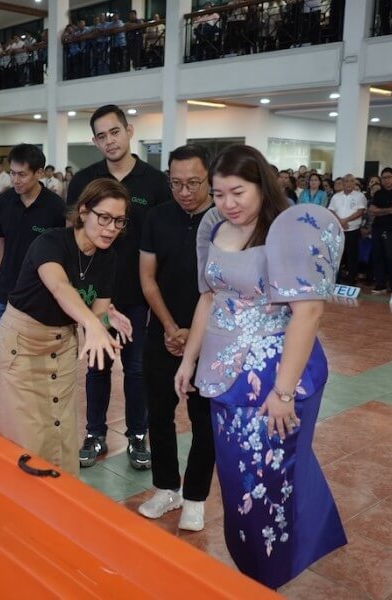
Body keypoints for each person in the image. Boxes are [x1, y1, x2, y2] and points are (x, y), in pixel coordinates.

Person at [173, 145, 347, 589]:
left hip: (272, 375)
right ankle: (252, 573)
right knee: (236, 484)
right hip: (223, 375)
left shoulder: (287, 231)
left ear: (261, 186)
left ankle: (269, 576)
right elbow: (208, 297)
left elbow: (308, 314)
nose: (228, 203)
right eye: (218, 193)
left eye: (238, 191)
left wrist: (283, 392)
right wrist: (189, 359)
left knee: (269, 483)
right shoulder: (215, 228)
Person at [0, 178, 133, 476]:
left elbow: (98, 311)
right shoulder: (50, 242)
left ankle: (56, 503)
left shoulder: (108, 258)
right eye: (104, 217)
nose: (111, 228)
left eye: (119, 221)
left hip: (61, 344)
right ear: (84, 211)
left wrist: (103, 321)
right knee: (24, 432)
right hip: (23, 343)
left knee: (60, 431)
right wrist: (91, 321)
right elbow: (60, 288)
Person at [67, 104, 171, 471]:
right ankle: (95, 433)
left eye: (114, 132)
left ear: (128, 131)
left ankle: (137, 435)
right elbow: (72, 237)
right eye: (100, 136)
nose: (109, 141)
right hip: (95, 297)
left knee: (137, 368)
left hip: (137, 295)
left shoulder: (155, 182)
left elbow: (163, 242)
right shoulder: (84, 182)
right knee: (97, 366)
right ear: (94, 142)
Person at [137, 145, 216, 532]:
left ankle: (196, 497)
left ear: (210, 180)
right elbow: (147, 278)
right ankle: (166, 487)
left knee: (205, 420)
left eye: (193, 183)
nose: (184, 192)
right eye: (176, 183)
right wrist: (170, 328)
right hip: (163, 333)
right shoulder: (157, 217)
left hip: (213, 336)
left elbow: (222, 288)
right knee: (160, 413)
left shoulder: (223, 221)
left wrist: (193, 337)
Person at [0, 144, 66, 344]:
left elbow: (61, 253)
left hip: (39, 296)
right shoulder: (3, 202)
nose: (15, 180)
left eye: (22, 175)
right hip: (5, 293)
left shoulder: (56, 207)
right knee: (1, 354)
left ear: (39, 173)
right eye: (12, 173)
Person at [368, 167, 392, 293]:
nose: (386, 180)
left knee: (391, 257)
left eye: (388, 177)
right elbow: (372, 210)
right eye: (383, 178)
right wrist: (390, 210)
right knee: (377, 256)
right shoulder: (378, 193)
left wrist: (381, 211)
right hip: (377, 228)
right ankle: (380, 284)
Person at [327, 173, 366, 284]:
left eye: (351, 181)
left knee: (352, 256)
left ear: (355, 183)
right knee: (338, 255)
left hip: (353, 230)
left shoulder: (360, 196)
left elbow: (360, 211)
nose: (349, 183)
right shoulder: (336, 196)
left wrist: (346, 220)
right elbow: (331, 210)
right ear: (342, 183)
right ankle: (336, 280)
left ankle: (351, 280)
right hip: (338, 230)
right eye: (346, 181)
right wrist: (340, 221)